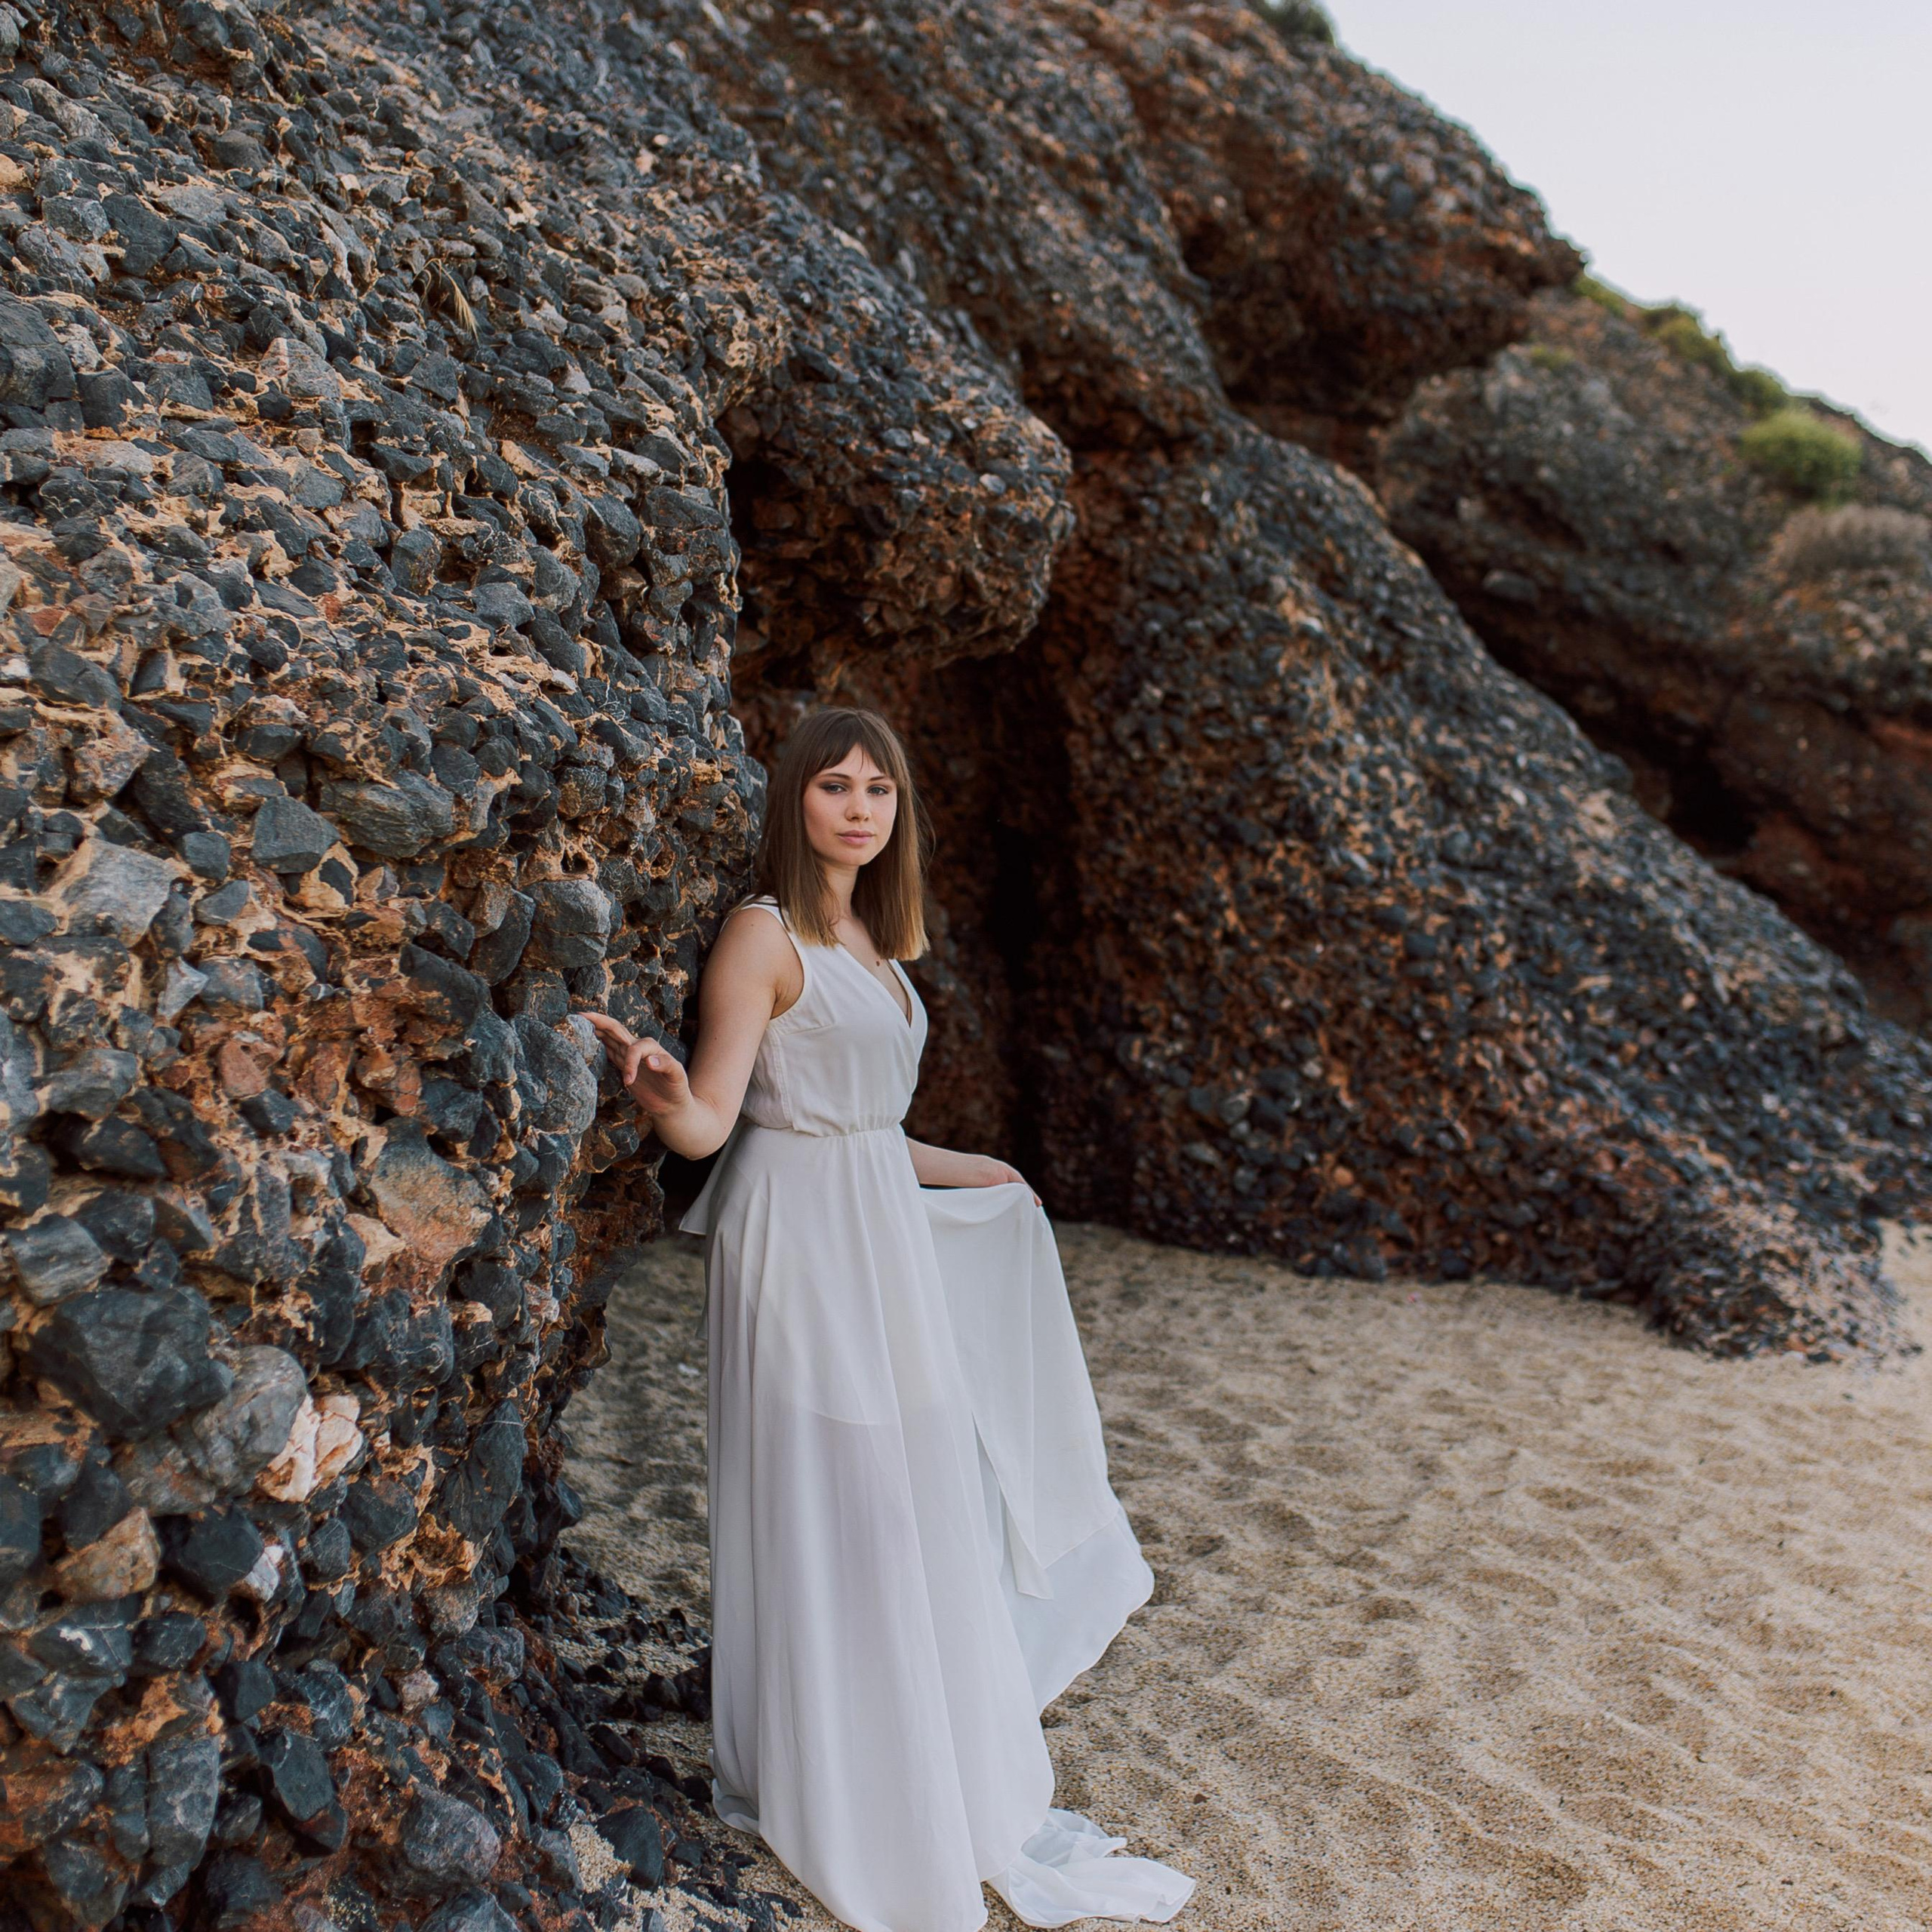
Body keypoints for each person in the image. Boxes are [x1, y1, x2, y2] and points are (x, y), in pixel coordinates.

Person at [579, 706, 1193, 1932]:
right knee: (839, 1492)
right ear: (794, 801)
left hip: (879, 1236)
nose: (859, 807)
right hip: (799, 1247)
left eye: (880, 789)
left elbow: (874, 1130)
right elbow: (715, 1124)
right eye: (834, 786)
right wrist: (660, 1094)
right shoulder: (763, 935)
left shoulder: (874, 941)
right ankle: (841, 1778)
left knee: (915, 1491)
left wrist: (981, 1170)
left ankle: (914, 1750)